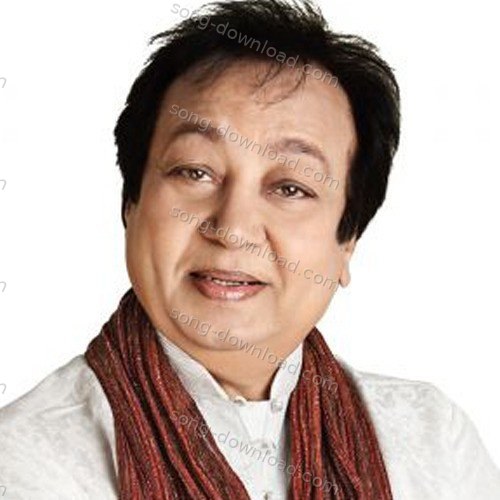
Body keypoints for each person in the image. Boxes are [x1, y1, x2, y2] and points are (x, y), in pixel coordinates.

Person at [1, 1, 499, 498]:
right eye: (195, 172)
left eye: (290, 188)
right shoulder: (27, 462)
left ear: (348, 241)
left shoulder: (432, 443)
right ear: (131, 203)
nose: (233, 229)